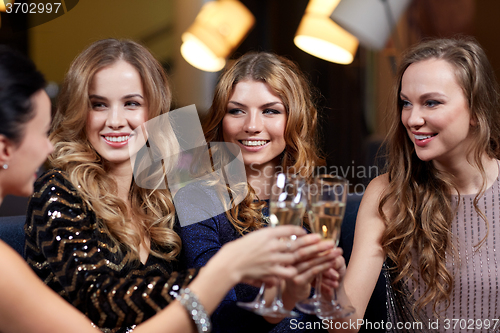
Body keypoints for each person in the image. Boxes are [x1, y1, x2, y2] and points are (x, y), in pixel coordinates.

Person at [23, 39, 340, 333]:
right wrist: (224, 271)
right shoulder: (58, 190)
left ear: (153, 110)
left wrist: (283, 297)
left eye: (132, 103)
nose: (116, 120)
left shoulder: (160, 194)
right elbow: (102, 300)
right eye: (99, 105)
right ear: (81, 110)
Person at [335, 37, 500, 333]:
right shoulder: (387, 193)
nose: (412, 118)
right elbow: (345, 324)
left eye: (431, 102)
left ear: (476, 110)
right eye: (406, 103)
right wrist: (327, 285)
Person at [176, 52, 343, 332]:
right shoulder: (197, 199)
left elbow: (334, 320)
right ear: (220, 118)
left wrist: (336, 288)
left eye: (270, 110)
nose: (252, 126)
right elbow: (214, 315)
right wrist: (279, 297)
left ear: (294, 118)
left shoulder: (315, 199)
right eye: (236, 110)